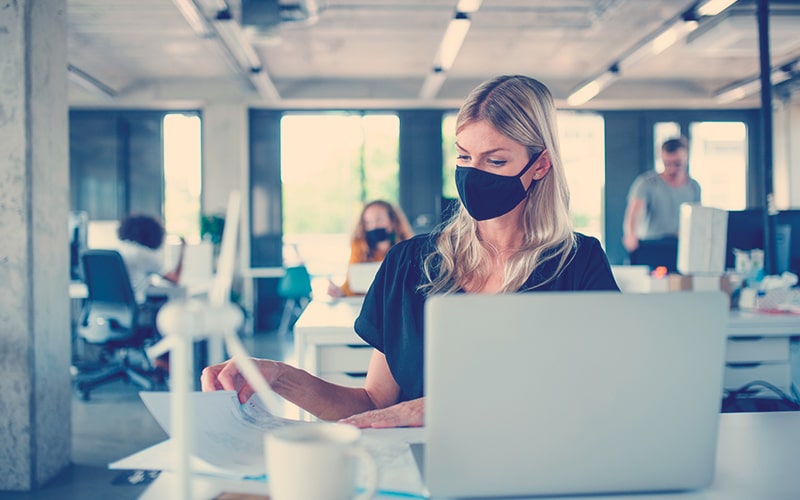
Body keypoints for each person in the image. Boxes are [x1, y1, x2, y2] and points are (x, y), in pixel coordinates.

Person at [201, 75, 620, 428]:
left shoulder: (578, 265)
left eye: (495, 162)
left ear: (540, 166)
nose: (474, 175)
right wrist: (278, 377)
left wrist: (438, 411)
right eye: (464, 156)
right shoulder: (409, 262)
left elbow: (595, 401)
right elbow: (375, 405)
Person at [622, 137, 701, 271]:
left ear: (686, 158)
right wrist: (630, 234)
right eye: (667, 163)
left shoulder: (694, 187)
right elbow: (634, 211)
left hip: (680, 246)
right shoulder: (646, 183)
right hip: (652, 245)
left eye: (677, 164)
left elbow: (697, 217)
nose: (671, 168)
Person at [327, 200, 414, 298]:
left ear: (393, 221)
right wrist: (339, 292)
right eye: (368, 222)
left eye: (379, 220)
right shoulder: (359, 245)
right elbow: (351, 285)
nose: (373, 226)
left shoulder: (408, 246)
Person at [116, 214, 185, 304]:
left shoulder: (120, 248)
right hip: (136, 306)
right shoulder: (143, 254)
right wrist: (183, 250)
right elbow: (175, 279)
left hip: (110, 307)